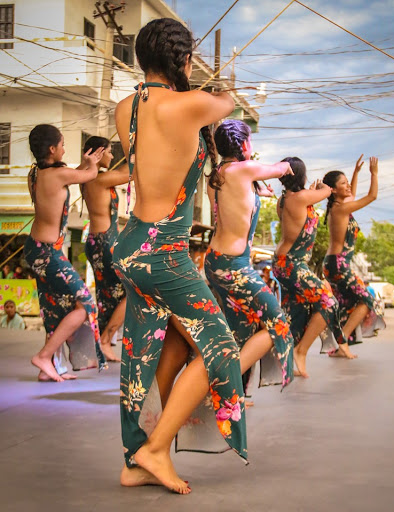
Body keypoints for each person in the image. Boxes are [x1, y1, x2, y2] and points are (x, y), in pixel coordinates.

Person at [112, 18, 246, 494]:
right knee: (219, 346)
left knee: (149, 351)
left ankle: (135, 461)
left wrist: (186, 69)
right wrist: (202, 79)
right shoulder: (191, 104)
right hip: (165, 251)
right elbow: (227, 103)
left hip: (130, 244)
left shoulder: (124, 107)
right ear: (181, 60)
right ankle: (154, 449)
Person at [204, 119, 294, 391]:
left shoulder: (218, 175)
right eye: (250, 141)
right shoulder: (246, 169)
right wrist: (289, 167)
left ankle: (231, 392)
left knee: (239, 330)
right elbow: (281, 169)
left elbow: (235, 202)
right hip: (234, 267)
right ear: (243, 144)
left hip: (216, 261)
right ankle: (223, 381)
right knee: (278, 323)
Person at [23, 124, 107, 382]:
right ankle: (44, 355)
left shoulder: (37, 173)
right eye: (61, 144)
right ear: (51, 149)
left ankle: (48, 367)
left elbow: (72, 175)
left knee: (55, 309)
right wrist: (91, 163)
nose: (64, 148)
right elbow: (90, 175)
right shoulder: (56, 175)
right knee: (86, 303)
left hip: (36, 249)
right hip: (48, 253)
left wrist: (82, 165)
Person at [272, 156, 354, 378]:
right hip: (291, 263)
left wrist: (312, 190)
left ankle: (289, 359)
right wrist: (321, 188)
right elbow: (327, 191)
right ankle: (300, 351)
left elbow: (305, 202)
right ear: (301, 174)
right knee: (328, 302)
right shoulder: (300, 198)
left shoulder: (286, 199)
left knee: (296, 313)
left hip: (284, 262)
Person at [322, 155, 385, 352]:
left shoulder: (339, 207)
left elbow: (352, 195)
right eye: (344, 183)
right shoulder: (340, 209)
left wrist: (356, 174)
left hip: (334, 263)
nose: (348, 186)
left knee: (347, 305)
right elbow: (372, 196)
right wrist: (374, 174)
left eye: (348, 183)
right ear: (333, 189)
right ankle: (342, 343)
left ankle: (339, 344)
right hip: (338, 264)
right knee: (366, 299)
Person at [82, 136, 128, 362]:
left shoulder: (85, 177)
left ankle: (101, 342)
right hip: (105, 242)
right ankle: (105, 340)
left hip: (95, 241)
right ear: (99, 152)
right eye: (110, 152)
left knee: (107, 296)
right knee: (132, 292)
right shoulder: (99, 180)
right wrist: (134, 145)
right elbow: (131, 173)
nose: (112, 156)